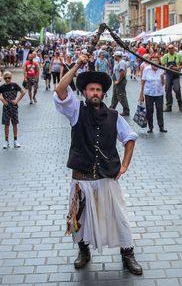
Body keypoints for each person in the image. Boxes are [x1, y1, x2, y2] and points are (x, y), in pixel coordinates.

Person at [53, 54, 142, 276]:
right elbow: (60, 90)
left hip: (107, 177)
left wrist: (125, 165)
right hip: (81, 178)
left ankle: (127, 254)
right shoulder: (75, 111)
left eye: (98, 90)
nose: (95, 93)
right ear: (84, 92)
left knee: (119, 216)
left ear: (103, 93)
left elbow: (130, 137)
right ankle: (83, 251)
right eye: (91, 89)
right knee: (79, 218)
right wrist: (77, 65)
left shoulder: (114, 115)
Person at [0, 71, 26, 149]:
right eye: (5, 78)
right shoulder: (2, 87)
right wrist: (2, 99)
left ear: (11, 78)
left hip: (14, 107)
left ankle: (15, 140)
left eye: (9, 78)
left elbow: (22, 92)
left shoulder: (14, 85)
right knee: (6, 124)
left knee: (14, 124)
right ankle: (6, 141)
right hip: (6, 108)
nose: (7, 79)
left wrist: (17, 100)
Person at [139, 54, 167, 133]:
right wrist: (141, 94)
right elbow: (143, 82)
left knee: (159, 110)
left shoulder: (161, 70)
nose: (155, 61)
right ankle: (150, 127)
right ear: (150, 61)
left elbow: (163, 83)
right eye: (153, 60)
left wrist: (162, 78)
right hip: (149, 93)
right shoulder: (146, 69)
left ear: (159, 61)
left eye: (156, 60)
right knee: (149, 110)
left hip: (159, 93)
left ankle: (161, 126)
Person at [161, 44, 182, 112]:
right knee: (167, 90)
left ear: (174, 48)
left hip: (176, 74)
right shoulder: (165, 56)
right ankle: (169, 106)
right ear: (167, 49)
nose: (170, 49)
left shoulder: (178, 55)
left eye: (172, 48)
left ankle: (180, 104)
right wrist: (166, 69)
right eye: (169, 48)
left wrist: (177, 68)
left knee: (177, 89)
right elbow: (162, 65)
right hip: (168, 75)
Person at [110, 51, 130, 116]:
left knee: (121, 96)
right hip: (116, 80)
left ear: (117, 56)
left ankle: (126, 110)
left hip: (120, 81)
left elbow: (122, 73)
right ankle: (112, 108)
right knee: (115, 95)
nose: (114, 57)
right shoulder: (117, 62)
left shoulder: (122, 62)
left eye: (114, 56)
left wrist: (118, 80)